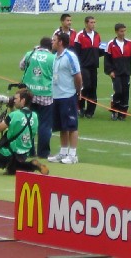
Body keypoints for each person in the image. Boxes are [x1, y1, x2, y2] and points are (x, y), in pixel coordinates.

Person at [0, 88, 48, 175]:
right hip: (23, 153)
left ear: (23, 100)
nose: (14, 100)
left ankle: (10, 165)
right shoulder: (34, 116)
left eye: (16, 99)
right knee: (13, 167)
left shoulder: (14, 115)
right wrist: (11, 108)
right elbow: (19, 122)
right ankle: (25, 166)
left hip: (8, 151)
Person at [48, 31, 82, 164]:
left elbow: (78, 76)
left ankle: (73, 154)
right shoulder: (55, 57)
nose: (52, 42)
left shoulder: (70, 56)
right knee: (62, 126)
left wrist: (78, 91)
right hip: (57, 96)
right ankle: (63, 152)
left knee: (71, 125)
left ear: (60, 42)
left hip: (68, 95)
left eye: (54, 40)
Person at [19, 37, 55, 159]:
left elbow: (21, 66)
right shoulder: (52, 57)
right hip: (45, 94)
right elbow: (56, 75)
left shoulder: (30, 54)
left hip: (29, 94)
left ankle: (29, 150)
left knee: (29, 122)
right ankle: (43, 152)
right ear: (50, 46)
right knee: (44, 125)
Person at [104, 23, 131, 120]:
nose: (123, 33)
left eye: (124, 31)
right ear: (116, 32)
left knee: (125, 93)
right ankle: (114, 110)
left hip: (126, 72)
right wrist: (110, 71)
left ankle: (123, 114)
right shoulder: (111, 44)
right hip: (116, 73)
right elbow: (107, 60)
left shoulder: (129, 43)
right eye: (121, 31)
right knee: (118, 91)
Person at [74, 16, 103, 118]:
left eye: (94, 22)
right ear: (86, 23)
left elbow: (97, 50)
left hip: (93, 66)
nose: (93, 24)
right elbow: (76, 52)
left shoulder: (97, 35)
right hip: (83, 66)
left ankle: (90, 111)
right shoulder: (80, 36)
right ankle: (80, 107)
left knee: (93, 88)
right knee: (85, 87)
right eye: (91, 22)